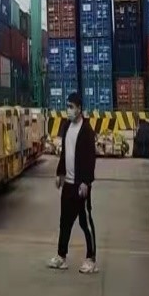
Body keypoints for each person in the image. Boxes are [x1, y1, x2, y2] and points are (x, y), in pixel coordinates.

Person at [47, 92, 98, 273]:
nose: (68, 110)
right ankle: (61, 256)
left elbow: (90, 159)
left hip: (80, 185)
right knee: (65, 222)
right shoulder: (67, 126)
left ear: (79, 109)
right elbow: (64, 153)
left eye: (71, 107)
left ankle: (91, 259)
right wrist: (60, 173)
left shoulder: (86, 131)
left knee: (85, 222)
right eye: (67, 106)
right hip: (68, 184)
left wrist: (86, 182)